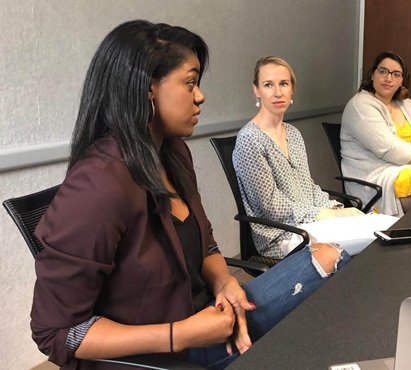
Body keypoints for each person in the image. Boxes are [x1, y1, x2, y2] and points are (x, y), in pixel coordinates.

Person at [31, 21, 350, 370]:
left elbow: (207, 246)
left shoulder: (173, 153)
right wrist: (181, 334)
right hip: (162, 354)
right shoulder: (98, 184)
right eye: (190, 82)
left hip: (206, 320)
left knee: (332, 258)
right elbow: (58, 333)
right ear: (147, 88)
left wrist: (225, 282)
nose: (200, 95)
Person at [233, 56, 366, 259]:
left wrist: (336, 208)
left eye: (284, 84)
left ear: (292, 89)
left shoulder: (293, 133)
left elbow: (308, 187)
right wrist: (325, 215)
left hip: (309, 224)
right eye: (268, 85)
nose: (278, 92)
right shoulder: (250, 139)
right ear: (256, 90)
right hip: (280, 236)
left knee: (368, 233)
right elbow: (270, 207)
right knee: (353, 251)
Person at [341, 51, 411, 217]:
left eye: (396, 74)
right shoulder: (360, 105)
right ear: (372, 74)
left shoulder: (407, 105)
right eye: (383, 71)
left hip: (410, 172)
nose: (388, 78)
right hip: (376, 180)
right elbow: (393, 151)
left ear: (402, 81)